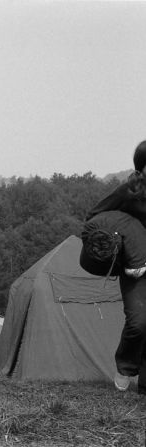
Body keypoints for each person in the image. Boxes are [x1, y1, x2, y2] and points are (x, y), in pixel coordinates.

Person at [83, 140, 146, 393]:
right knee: (139, 322)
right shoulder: (128, 191)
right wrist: (120, 245)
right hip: (135, 269)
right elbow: (95, 217)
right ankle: (126, 366)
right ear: (141, 169)